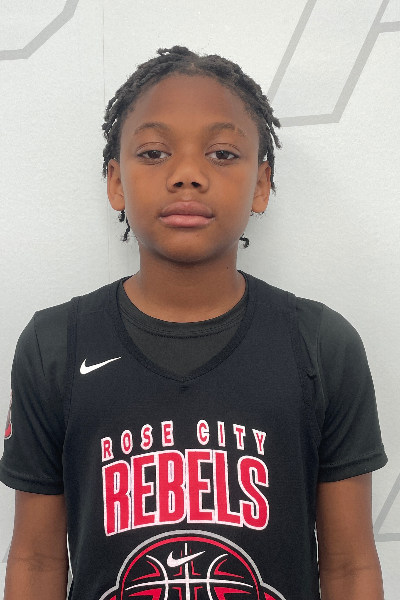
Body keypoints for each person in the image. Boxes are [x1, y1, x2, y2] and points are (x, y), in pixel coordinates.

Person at [0, 46, 387, 600]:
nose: (187, 175)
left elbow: (349, 566)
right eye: (154, 153)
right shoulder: (55, 345)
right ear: (115, 181)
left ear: (261, 184)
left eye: (222, 153)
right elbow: (37, 559)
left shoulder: (321, 346)